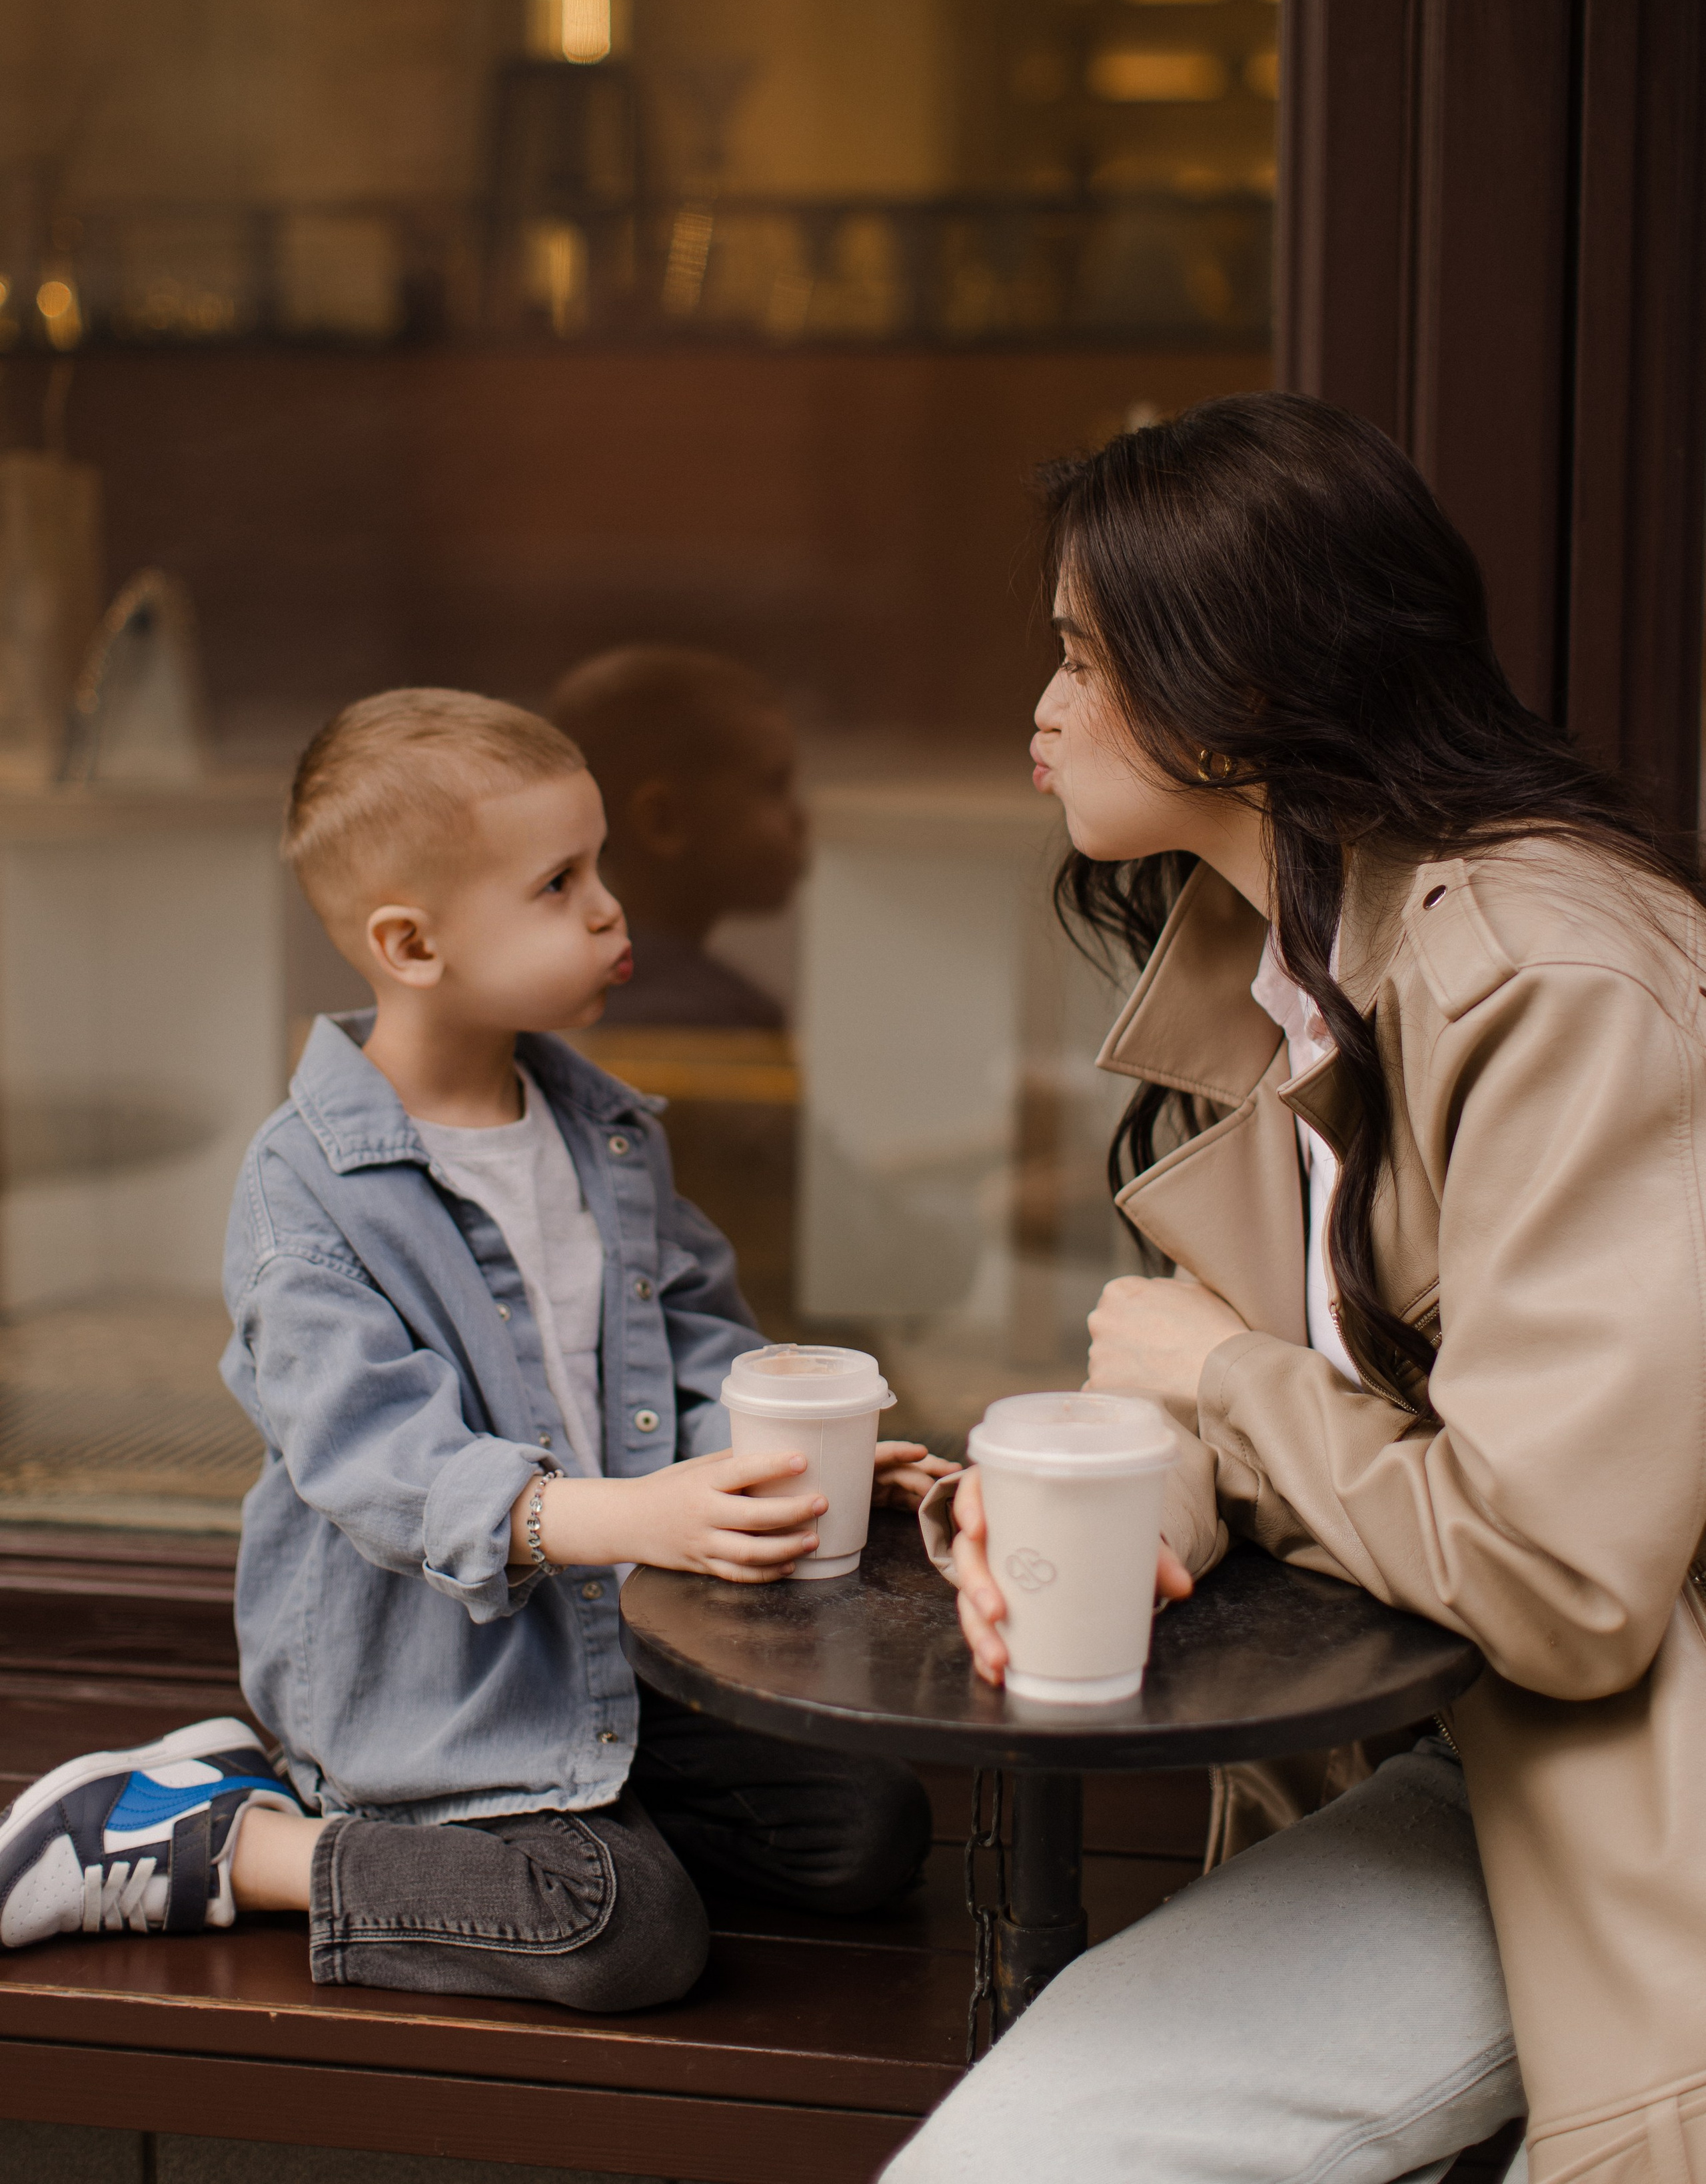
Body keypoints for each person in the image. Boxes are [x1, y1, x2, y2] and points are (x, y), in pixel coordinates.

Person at [888, 395, 1706, 2184]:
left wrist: (1222, 1384)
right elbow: (1247, 1385)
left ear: (1246, 685)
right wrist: (1116, 1494)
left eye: (1082, 660)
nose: (1040, 713)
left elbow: (1568, 1583)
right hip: (1451, 1759)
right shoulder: (1273, 967)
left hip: (1632, 1794)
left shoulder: (1553, 977)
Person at [0, 688, 947, 2000]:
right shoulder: (308, 1189)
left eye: (598, 864)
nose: (611, 908)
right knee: (619, 1930)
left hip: (598, 1657)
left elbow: (683, 1339)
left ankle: (563, 1814)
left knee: (868, 1830)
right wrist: (635, 1518)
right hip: (426, 1690)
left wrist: (786, 1457)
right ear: (411, 943)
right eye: (558, 883)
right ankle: (212, 1838)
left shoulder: (599, 1131)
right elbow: (377, 1460)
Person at [548, 646, 805, 1028]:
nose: (801, 818)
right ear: (662, 822)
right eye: (772, 787)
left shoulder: (552, 979)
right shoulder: (712, 1017)